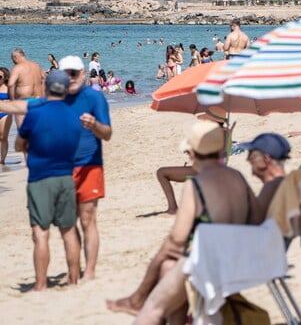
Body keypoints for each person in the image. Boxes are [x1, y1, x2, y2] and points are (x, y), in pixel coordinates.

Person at [108, 120, 262, 321]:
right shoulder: (237, 176)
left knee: (154, 306)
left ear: (193, 153)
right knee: (167, 268)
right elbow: (257, 217)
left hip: (210, 263)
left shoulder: (196, 184)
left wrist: (164, 252)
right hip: (237, 258)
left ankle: (139, 300)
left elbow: (178, 238)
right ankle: (149, 304)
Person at [16, 70, 84, 290]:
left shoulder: (36, 113)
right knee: (69, 230)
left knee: (41, 232)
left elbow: (19, 144)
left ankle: (41, 284)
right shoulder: (74, 114)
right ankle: (74, 279)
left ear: (46, 88)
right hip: (65, 176)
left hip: (40, 177)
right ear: (65, 89)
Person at [59, 55, 112, 282]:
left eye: (73, 73)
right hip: (61, 166)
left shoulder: (94, 97)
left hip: (89, 164)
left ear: (83, 73)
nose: (69, 78)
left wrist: (95, 125)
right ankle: (73, 272)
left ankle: (89, 272)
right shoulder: (55, 97)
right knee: (67, 222)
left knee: (87, 218)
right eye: (65, 74)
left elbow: (107, 134)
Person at [3, 48, 45, 166]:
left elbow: (10, 84)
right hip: (38, 101)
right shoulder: (36, 65)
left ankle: (27, 158)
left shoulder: (18, 67)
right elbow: (44, 79)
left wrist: (12, 101)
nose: (13, 62)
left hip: (23, 102)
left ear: (16, 57)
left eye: (13, 60)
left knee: (23, 130)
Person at [246, 132, 291, 209]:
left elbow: (256, 219)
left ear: (266, 159)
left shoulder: (272, 187)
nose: (248, 159)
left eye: (252, 156)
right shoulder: (289, 184)